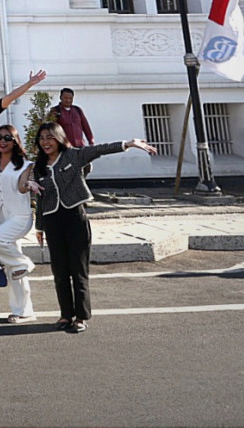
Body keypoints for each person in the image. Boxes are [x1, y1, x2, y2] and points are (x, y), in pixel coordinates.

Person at [33, 122, 155, 333]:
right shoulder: (39, 166)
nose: (45, 142)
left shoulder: (73, 156)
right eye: (42, 137)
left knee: (78, 269)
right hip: (52, 220)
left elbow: (99, 149)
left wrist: (128, 144)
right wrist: (39, 228)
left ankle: (81, 316)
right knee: (60, 271)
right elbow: (41, 199)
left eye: (50, 137)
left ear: (59, 138)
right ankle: (65, 315)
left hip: (74, 217)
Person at [0, 124, 36, 324]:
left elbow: (23, 187)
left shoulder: (25, 164)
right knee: (13, 270)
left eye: (8, 138)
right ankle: (24, 310)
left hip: (20, 217)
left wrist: (29, 184)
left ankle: (24, 263)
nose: (3, 141)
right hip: (2, 219)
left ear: (15, 142)